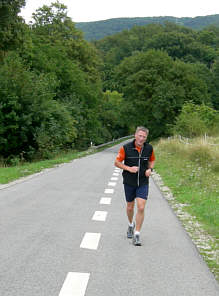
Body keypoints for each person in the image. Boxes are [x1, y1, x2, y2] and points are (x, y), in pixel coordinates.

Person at [114, 126, 155, 246]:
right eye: (140, 136)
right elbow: (116, 162)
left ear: (146, 138)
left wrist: (150, 169)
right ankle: (130, 224)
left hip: (143, 182)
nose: (141, 139)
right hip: (129, 181)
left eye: (144, 137)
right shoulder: (126, 148)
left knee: (141, 207)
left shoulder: (149, 148)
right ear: (135, 135)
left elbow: (152, 160)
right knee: (130, 207)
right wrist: (129, 168)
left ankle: (137, 234)